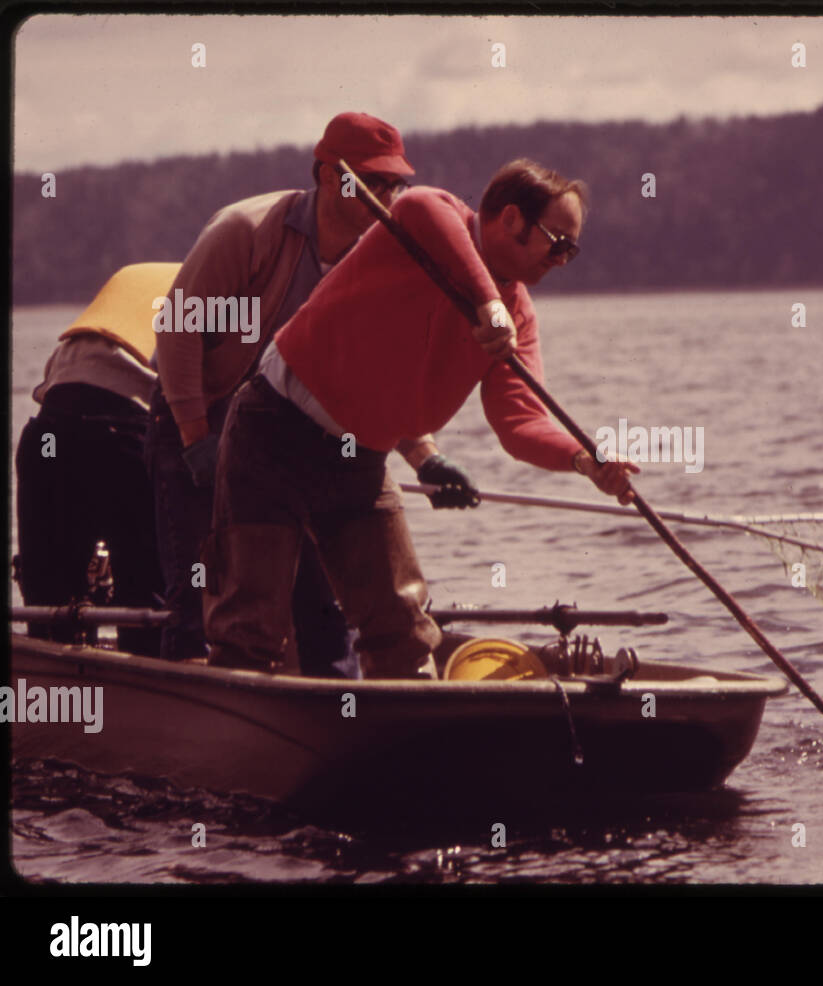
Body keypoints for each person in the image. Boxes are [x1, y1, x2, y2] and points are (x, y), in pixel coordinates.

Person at [203, 158, 638, 677]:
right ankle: (234, 731)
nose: (563, 260)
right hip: (273, 430)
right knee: (249, 628)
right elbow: (417, 204)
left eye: (572, 248)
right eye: (557, 242)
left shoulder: (517, 315)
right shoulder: (432, 222)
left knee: (403, 633)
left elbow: (520, 425)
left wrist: (584, 459)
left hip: (358, 462)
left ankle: (408, 735)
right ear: (513, 220)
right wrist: (485, 302)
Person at [146, 111, 473, 675]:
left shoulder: (385, 254)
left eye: (394, 184)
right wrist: (197, 438)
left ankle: (337, 705)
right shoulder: (245, 232)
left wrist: (426, 456)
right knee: (205, 596)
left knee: (326, 604)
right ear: (327, 176)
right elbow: (177, 332)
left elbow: (381, 377)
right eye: (369, 181)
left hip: (301, 429)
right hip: (199, 413)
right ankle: (196, 709)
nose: (384, 195)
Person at [15, 264, 179, 656]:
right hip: (124, 437)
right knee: (146, 592)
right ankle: (153, 689)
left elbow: (53, 387)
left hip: (48, 433)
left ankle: (54, 686)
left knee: (50, 605)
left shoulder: (133, 281)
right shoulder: (222, 294)